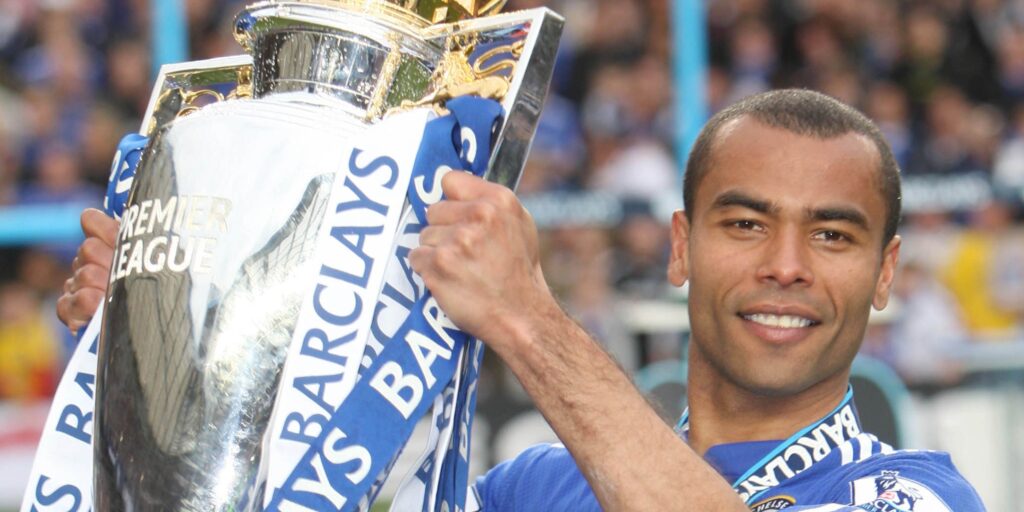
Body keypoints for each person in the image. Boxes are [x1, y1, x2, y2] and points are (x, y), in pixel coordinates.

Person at [58, 89, 984, 511]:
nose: (787, 266)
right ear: (680, 248)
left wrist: (528, 319)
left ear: (888, 272)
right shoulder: (534, 490)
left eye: (832, 235)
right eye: (744, 224)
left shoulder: (912, 496)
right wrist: (159, 350)